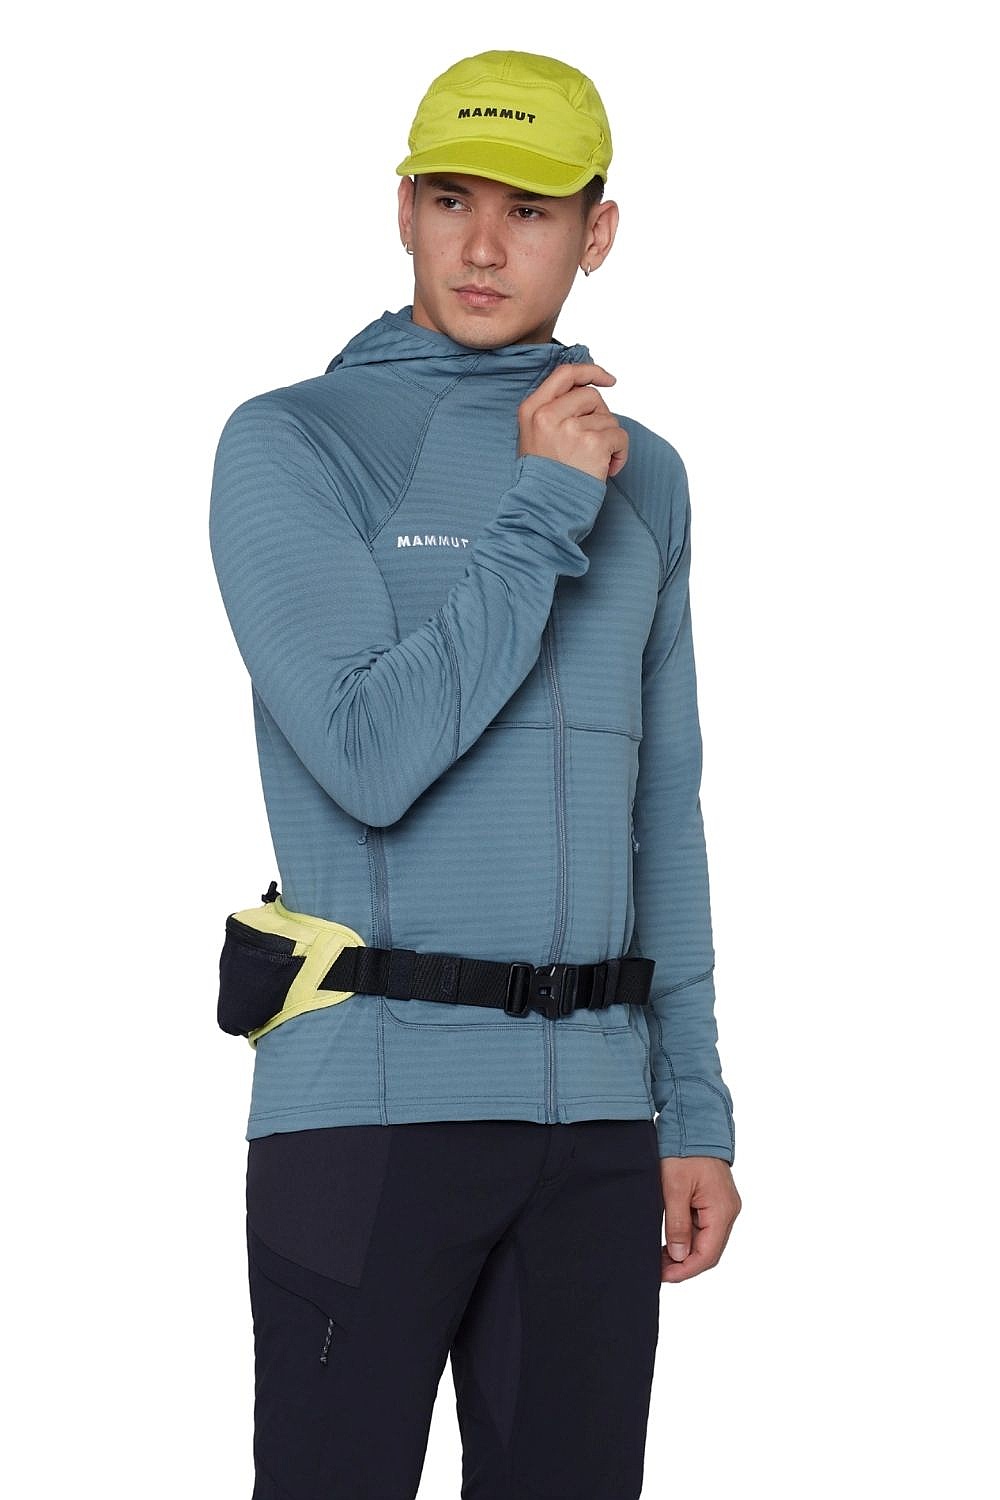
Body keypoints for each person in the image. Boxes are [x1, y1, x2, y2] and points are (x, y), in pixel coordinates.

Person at [209, 48, 741, 1500]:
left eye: (532, 209)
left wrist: (691, 1108)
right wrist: (542, 501)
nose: (486, 246)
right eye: (452, 200)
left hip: (596, 1129)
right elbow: (367, 757)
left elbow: (662, 812)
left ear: (597, 232)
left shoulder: (648, 474)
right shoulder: (294, 442)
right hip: (369, 1117)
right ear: (403, 211)